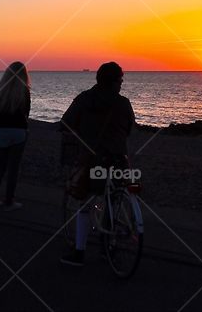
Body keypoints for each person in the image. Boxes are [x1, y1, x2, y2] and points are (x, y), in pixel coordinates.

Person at [59, 62, 135, 267]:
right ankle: (107, 247)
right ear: (113, 81)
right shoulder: (123, 103)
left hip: (93, 160)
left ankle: (79, 253)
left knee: (84, 203)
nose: (121, 83)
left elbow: (66, 123)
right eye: (120, 79)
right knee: (113, 199)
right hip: (119, 161)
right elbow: (129, 128)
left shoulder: (84, 99)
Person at [0, 62, 31, 211]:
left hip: (0, 130)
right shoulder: (24, 90)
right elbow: (26, 112)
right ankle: (9, 201)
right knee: (13, 168)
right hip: (18, 131)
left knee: (0, 166)